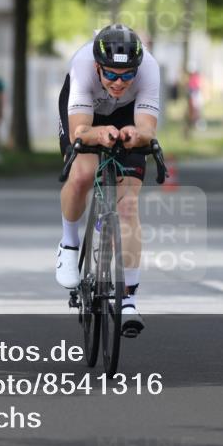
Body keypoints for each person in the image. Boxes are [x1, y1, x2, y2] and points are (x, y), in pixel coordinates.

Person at [56, 24, 160, 337]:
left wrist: (135, 135)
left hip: (127, 116)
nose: (119, 82)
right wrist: (98, 134)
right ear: (98, 66)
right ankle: (69, 244)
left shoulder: (150, 70)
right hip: (87, 118)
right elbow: (80, 131)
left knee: (127, 208)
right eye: (111, 74)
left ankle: (128, 299)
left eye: (127, 75)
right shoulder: (82, 66)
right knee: (84, 173)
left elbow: (147, 129)